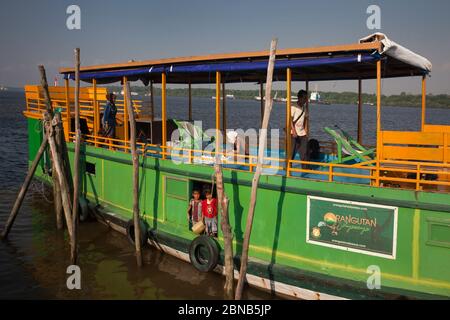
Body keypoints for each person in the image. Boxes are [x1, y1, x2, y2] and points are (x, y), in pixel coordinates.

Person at [291, 90, 309, 166]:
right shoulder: (293, 107)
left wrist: (306, 131)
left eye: (306, 98)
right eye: (304, 98)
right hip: (293, 133)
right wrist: (294, 131)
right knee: (291, 152)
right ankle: (289, 169)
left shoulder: (305, 108)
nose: (305, 100)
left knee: (304, 152)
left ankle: (305, 169)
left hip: (302, 133)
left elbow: (305, 120)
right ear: (299, 98)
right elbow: (290, 120)